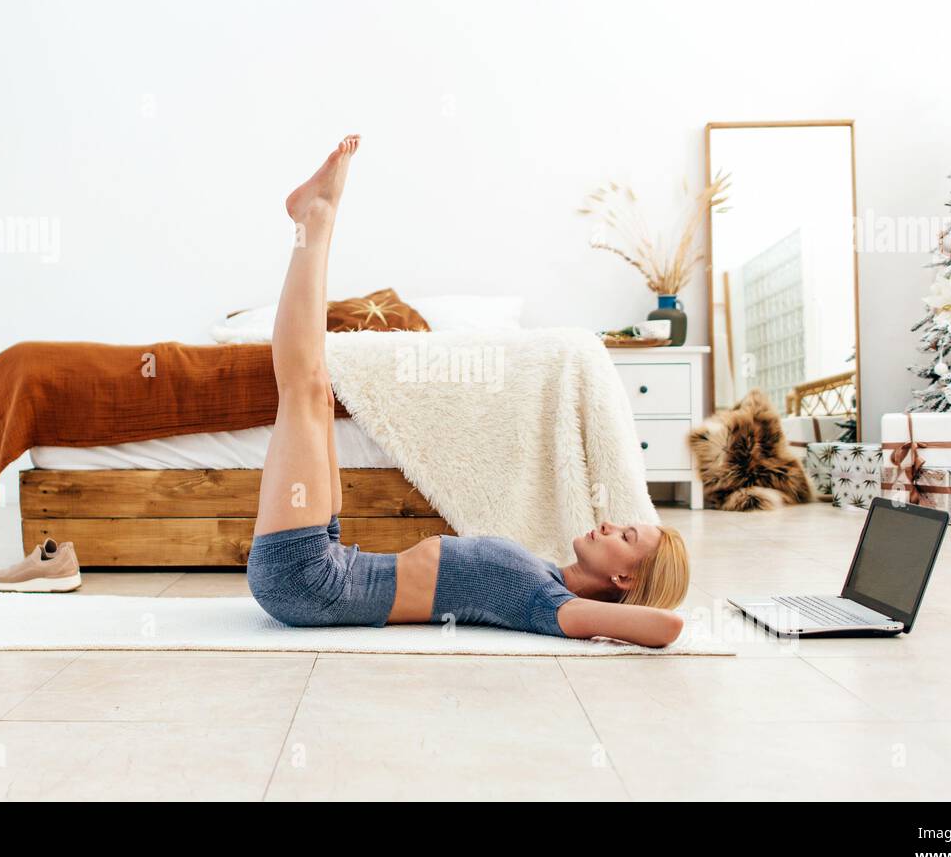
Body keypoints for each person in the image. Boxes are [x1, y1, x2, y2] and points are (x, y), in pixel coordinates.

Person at [247, 136, 689, 647]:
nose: (610, 525)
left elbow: (668, 627)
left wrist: (628, 602)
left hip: (308, 581)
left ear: (624, 580)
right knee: (318, 392)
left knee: (300, 388)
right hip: (331, 560)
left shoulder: (553, 606)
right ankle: (316, 215)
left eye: (626, 537)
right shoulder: (547, 577)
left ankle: (315, 218)